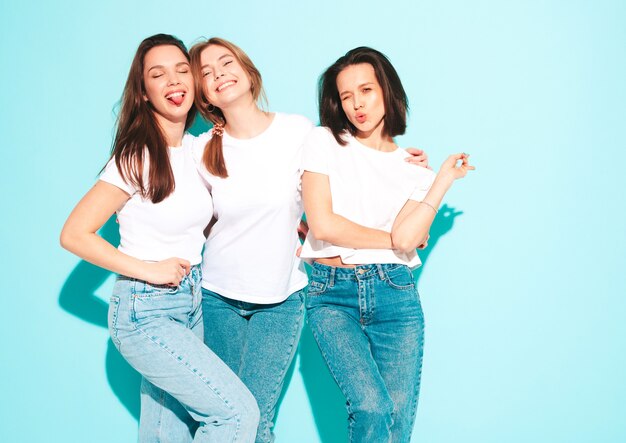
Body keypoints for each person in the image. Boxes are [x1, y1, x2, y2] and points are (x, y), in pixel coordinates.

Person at [59, 33, 259, 443]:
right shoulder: (136, 155)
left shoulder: (197, 150)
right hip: (144, 311)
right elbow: (74, 234)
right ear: (145, 93)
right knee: (235, 416)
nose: (173, 81)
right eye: (158, 74)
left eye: (182, 70)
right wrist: (149, 270)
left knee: (168, 434)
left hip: (194, 303)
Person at [300, 47, 475, 442]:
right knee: (370, 407)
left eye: (366, 90)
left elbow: (410, 238)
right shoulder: (322, 142)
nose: (357, 104)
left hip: (395, 294)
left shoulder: (413, 169)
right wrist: (394, 241)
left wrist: (441, 179)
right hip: (332, 293)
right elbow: (323, 225)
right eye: (347, 96)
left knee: (396, 426)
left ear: (387, 91)